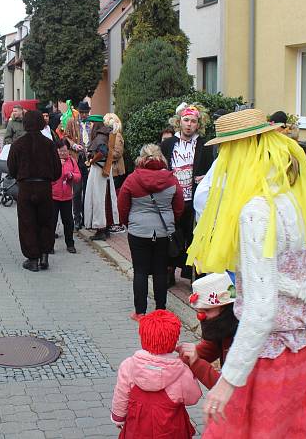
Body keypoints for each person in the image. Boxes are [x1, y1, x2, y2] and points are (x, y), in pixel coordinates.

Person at [186, 108, 306, 437]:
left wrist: (227, 382)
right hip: (301, 354)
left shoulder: (256, 211)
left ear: (239, 151)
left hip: (264, 361)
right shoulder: (296, 198)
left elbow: (261, 311)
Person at [117, 144, 183, 320]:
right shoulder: (171, 179)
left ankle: (140, 312)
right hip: (163, 231)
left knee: (140, 271)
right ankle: (161, 310)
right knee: (161, 271)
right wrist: (171, 222)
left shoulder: (132, 179)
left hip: (139, 231)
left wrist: (128, 223)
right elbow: (179, 206)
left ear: (141, 159)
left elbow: (122, 205)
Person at [111, 310, 201, 438]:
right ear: (175, 340)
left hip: (137, 427)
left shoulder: (129, 366)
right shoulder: (182, 372)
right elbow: (193, 398)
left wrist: (118, 417)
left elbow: (121, 395)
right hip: (171, 430)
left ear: (143, 336)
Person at [160, 102, 215, 284]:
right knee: (171, 237)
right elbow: (161, 168)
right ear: (179, 122)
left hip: (194, 201)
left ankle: (195, 279)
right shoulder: (168, 144)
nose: (189, 124)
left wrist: (205, 177)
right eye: (186, 120)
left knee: (195, 239)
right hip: (173, 199)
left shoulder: (205, 145)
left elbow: (212, 169)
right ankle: (168, 273)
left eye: (193, 121)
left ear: (198, 124)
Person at [7, 110, 62, 272]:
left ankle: (33, 259)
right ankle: (44, 254)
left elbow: (11, 168)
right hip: (44, 187)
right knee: (45, 221)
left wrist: (21, 176)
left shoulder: (17, 144)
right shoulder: (49, 144)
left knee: (27, 223)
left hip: (25, 187)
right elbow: (57, 170)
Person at [176, 273, 238, 388]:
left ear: (227, 308)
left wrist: (196, 363)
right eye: (199, 311)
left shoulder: (244, 340)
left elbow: (227, 389)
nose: (201, 317)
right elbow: (209, 348)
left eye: (207, 311)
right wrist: (178, 357)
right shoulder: (224, 330)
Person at [83, 113, 123, 241]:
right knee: (105, 199)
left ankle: (101, 229)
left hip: (99, 172)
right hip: (105, 171)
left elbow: (102, 152)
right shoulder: (107, 135)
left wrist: (92, 161)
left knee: (99, 200)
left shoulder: (100, 137)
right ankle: (104, 228)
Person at [64, 101, 93, 229]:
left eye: (86, 112)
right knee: (76, 191)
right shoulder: (72, 121)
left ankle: (86, 218)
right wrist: (73, 145)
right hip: (77, 159)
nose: (84, 115)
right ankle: (76, 218)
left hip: (89, 160)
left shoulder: (92, 123)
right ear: (79, 112)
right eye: (82, 112)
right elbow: (66, 136)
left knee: (88, 190)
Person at [51, 139, 81, 254]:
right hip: (54, 196)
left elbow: (78, 176)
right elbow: (49, 176)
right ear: (56, 151)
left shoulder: (72, 161)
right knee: (51, 222)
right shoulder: (52, 161)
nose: (63, 153)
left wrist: (71, 175)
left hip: (67, 197)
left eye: (65, 151)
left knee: (68, 222)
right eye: (60, 151)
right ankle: (49, 246)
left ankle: (70, 244)